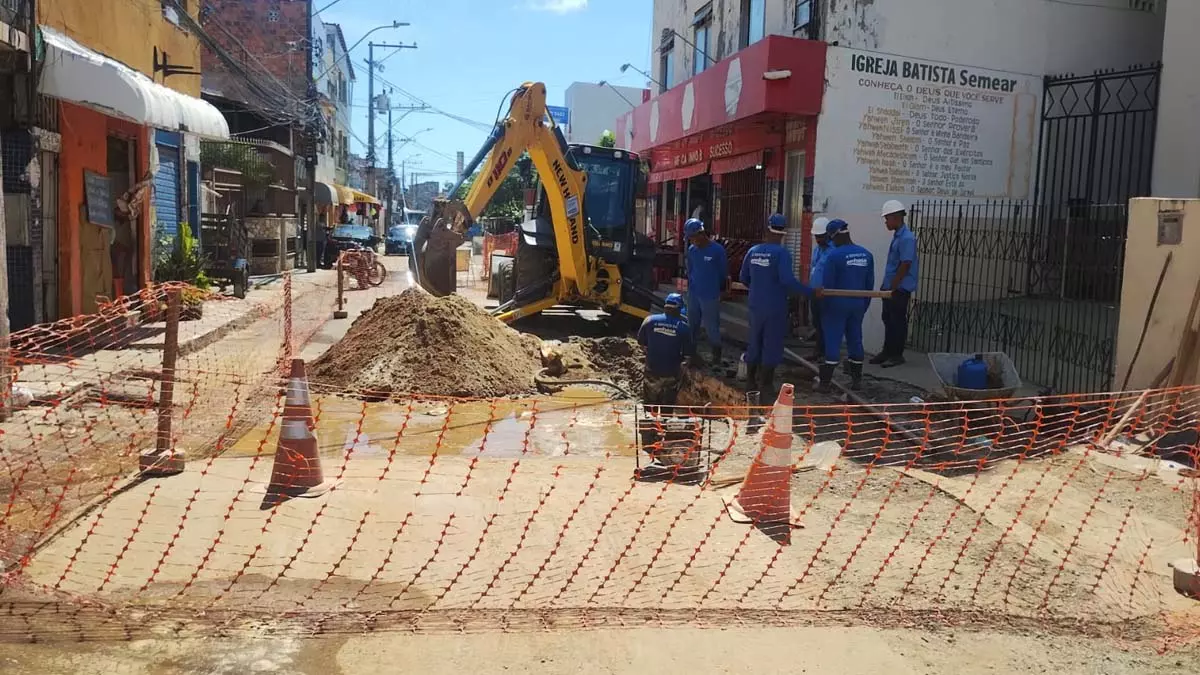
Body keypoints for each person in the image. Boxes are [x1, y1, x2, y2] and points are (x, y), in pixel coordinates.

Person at [738, 213, 813, 397]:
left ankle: (750, 382)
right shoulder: (782, 254)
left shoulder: (753, 251)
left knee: (755, 341)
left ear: (766, 230)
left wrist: (758, 288)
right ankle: (766, 385)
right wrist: (809, 291)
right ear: (783, 233)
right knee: (771, 344)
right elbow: (787, 280)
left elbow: (743, 278)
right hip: (775, 306)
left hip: (756, 305)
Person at [816, 220, 874, 392]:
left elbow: (828, 285)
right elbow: (869, 284)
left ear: (833, 236)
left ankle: (825, 383)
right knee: (855, 339)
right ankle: (857, 381)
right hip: (858, 303)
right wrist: (863, 306)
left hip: (836, 304)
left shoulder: (834, 256)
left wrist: (824, 309)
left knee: (833, 341)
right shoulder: (866, 255)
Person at [873, 200, 919, 368]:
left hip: (899, 287)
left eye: (887, 219)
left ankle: (896, 354)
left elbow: (905, 264)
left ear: (895, 217)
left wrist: (893, 286)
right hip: (891, 286)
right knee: (888, 318)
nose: (886, 222)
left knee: (897, 320)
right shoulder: (898, 235)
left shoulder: (907, 238)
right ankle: (887, 351)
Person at [683, 218, 728, 369]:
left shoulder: (717, 251)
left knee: (711, 327)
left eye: (693, 238)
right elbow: (690, 269)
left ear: (701, 234)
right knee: (692, 325)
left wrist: (720, 290)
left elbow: (723, 273)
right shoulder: (692, 251)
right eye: (690, 239)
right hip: (694, 292)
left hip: (710, 294)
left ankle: (716, 356)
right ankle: (691, 354)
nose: (692, 241)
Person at [637, 293, 695, 408]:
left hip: (652, 370)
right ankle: (664, 423)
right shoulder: (684, 328)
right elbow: (688, 356)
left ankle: (648, 423)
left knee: (648, 406)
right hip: (671, 373)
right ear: (679, 309)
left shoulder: (649, 320)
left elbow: (641, 343)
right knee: (667, 407)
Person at [807, 217, 832, 361]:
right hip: (814, 292)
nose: (818, 239)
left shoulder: (832, 251)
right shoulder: (817, 250)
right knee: (817, 323)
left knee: (826, 324)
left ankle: (826, 353)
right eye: (816, 236)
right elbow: (813, 269)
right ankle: (818, 350)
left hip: (826, 294)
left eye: (820, 236)